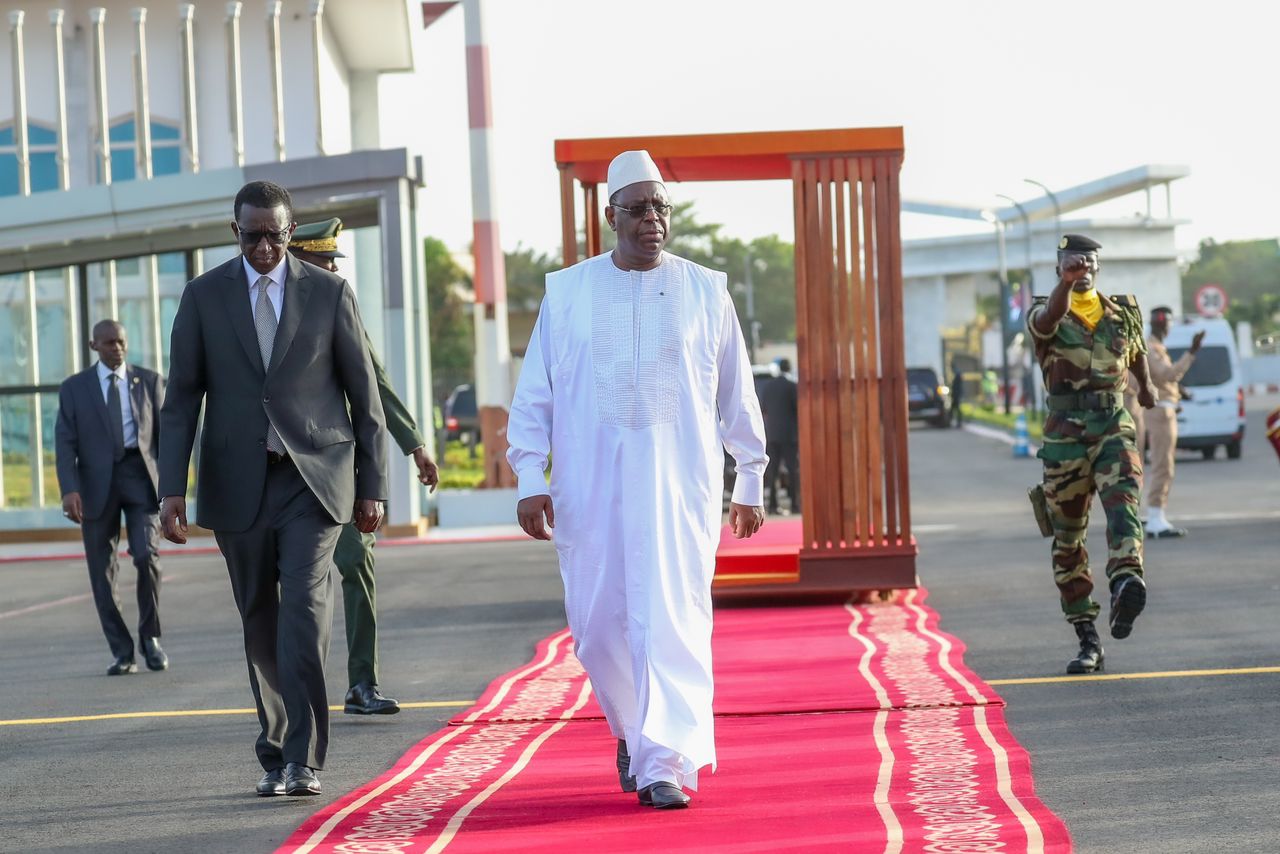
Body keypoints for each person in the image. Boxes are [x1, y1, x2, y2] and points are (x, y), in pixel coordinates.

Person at [506, 150, 768, 810]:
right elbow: (535, 392)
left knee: (671, 620)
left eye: (661, 208)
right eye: (638, 209)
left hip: (680, 488)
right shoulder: (568, 293)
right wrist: (529, 475)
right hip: (589, 489)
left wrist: (751, 477)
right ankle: (632, 728)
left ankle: (662, 762)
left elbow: (736, 390)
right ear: (610, 217)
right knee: (598, 629)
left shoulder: (705, 289)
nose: (653, 220)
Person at [158, 181, 388, 798]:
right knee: (259, 616)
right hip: (238, 482)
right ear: (235, 232)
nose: (264, 245)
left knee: (304, 616)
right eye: (252, 234)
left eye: (275, 234)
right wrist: (170, 489)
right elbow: (181, 398)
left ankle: (303, 760)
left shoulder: (330, 293)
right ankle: (277, 744)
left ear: (291, 233)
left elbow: (364, 398)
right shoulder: (203, 297)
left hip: (313, 480)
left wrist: (373, 486)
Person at [288, 217, 440, 715]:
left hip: (336, 468)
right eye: (326, 259)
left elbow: (374, 382)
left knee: (356, 564)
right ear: (302, 259)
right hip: (279, 469)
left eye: (335, 260)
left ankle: (361, 684)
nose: (334, 268)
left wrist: (413, 443)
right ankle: (290, 689)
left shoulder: (337, 305)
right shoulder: (262, 310)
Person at [1027, 234, 1156, 675]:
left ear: (1099, 265)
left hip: (1113, 426)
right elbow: (1048, 320)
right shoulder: (1045, 309)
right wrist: (1066, 283)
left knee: (1125, 506)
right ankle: (1088, 638)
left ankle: (1125, 582)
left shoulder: (1123, 312)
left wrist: (1148, 386)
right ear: (1059, 266)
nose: (1080, 267)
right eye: (1069, 261)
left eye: (1086, 261)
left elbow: (1135, 352)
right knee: (1067, 540)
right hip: (1065, 435)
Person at [54, 320, 168, 676]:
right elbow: (64, 442)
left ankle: (150, 638)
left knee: (147, 556)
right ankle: (122, 651)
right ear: (94, 345)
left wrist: (172, 488)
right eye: (108, 343)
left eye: (121, 341)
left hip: (140, 479)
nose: (116, 347)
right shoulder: (74, 389)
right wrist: (69, 489)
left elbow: (167, 438)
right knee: (102, 572)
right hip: (94, 486)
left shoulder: (149, 381)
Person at [1140, 307, 1204, 538]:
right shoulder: (1150, 348)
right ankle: (1156, 519)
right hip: (1160, 412)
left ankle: (1156, 514)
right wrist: (1192, 352)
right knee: (1162, 465)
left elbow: (1162, 380)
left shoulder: (1157, 347)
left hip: (1164, 409)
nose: (1169, 328)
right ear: (1158, 324)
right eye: (1166, 323)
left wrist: (1179, 391)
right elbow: (1168, 374)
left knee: (1164, 464)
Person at [759, 358, 800, 514]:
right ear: (789, 369)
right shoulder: (791, 386)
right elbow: (797, 409)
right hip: (789, 435)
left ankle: (772, 506)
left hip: (772, 434)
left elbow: (764, 410)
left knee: (772, 471)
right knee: (792, 470)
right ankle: (795, 505)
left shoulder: (769, 386)